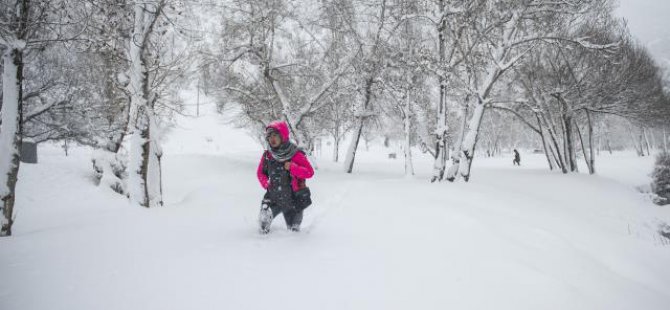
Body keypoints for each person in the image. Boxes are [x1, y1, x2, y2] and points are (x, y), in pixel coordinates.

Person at [256, 121, 314, 233]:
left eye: (275, 135)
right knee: (263, 225)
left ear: (283, 136)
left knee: (293, 232)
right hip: (273, 196)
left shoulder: (295, 154)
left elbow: (309, 172)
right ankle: (260, 245)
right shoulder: (268, 155)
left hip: (293, 198)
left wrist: (293, 167)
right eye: (269, 136)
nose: (272, 139)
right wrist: (265, 184)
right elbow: (260, 173)